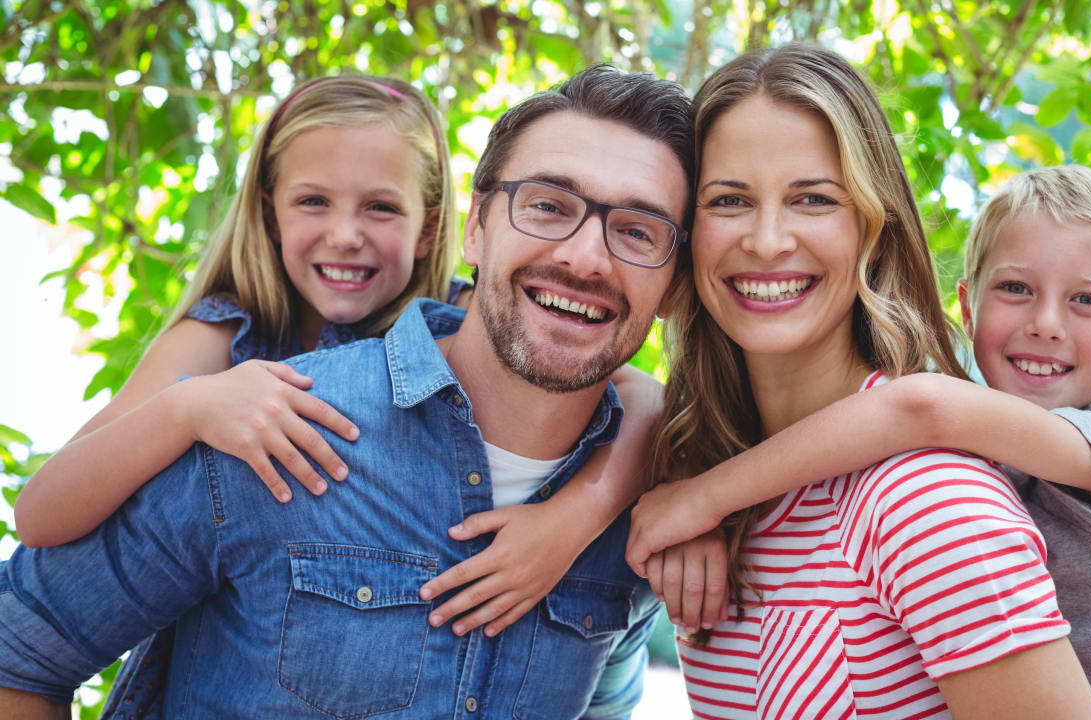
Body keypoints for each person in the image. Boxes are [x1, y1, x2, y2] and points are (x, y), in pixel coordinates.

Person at [0, 64, 702, 719]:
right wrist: (189, 407)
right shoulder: (243, 394)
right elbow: (27, 621)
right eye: (548, 206)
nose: (583, 256)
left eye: (637, 231)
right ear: (475, 228)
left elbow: (641, 394)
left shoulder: (637, 505)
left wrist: (587, 511)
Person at [628, 164, 1091, 719]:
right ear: (968, 308)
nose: (1046, 323)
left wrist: (704, 497)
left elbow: (919, 405)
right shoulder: (980, 434)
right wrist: (689, 473)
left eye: (1088, 300)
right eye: (1015, 288)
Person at [632, 44, 1091, 718]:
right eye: (729, 200)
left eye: (814, 199)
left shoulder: (928, 504)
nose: (767, 241)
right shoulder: (707, 492)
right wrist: (695, 494)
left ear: (873, 228)